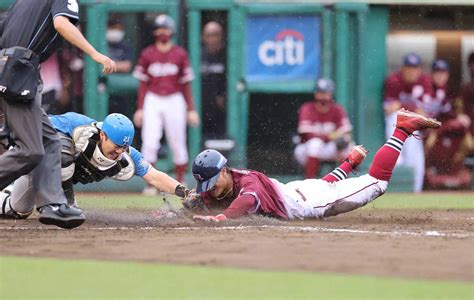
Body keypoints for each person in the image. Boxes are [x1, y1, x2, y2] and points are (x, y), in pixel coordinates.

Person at [183, 109, 441, 222]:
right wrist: (349, 165)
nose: (211, 189)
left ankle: (402, 129)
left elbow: (248, 201)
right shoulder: (223, 182)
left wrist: (222, 217)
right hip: (299, 189)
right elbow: (321, 185)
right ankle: (352, 162)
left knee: (378, 183)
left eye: (213, 182)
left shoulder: (249, 183)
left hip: (306, 203)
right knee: (324, 187)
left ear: (225, 170)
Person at [0, 0, 116, 229]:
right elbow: (62, 23)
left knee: (50, 140)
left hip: (13, 66)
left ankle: (52, 203)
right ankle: (53, 203)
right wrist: (95, 53)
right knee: (31, 150)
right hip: (18, 67)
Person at [0, 112, 191, 223]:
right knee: (60, 148)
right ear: (102, 136)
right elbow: (38, 126)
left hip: (49, 180)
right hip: (35, 166)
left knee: (19, 212)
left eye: (124, 148)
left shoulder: (126, 154)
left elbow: (154, 176)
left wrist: (184, 192)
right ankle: (66, 204)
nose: (119, 152)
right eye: (117, 146)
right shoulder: (76, 125)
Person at [133, 14, 200, 194]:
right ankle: (150, 184)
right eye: (159, 29)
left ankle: (179, 181)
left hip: (174, 99)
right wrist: (139, 109)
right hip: (153, 98)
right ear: (155, 32)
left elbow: (186, 84)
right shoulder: (147, 53)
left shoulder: (180, 54)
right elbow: (142, 84)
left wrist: (191, 109)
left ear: (171, 31)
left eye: (166, 29)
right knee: (150, 142)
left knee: (177, 141)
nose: (162, 32)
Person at [383, 53, 432, 192]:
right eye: (409, 67)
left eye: (415, 67)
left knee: (417, 161)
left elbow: (424, 112)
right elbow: (389, 109)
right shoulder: (394, 80)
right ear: (403, 68)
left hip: (417, 127)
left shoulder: (425, 81)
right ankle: (396, 190)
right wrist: (412, 107)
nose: (412, 71)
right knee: (396, 117)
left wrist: (402, 104)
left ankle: (414, 194)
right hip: (397, 125)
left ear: (420, 69)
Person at [424, 59, 471, 189]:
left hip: (430, 130)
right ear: (432, 74)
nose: (440, 75)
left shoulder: (442, 90)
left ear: (447, 75)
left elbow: (447, 111)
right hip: (417, 130)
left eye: (443, 72)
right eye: (437, 72)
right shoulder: (425, 87)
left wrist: (458, 117)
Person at [294, 78, 353, 179]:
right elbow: (307, 135)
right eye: (320, 92)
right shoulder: (307, 108)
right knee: (315, 143)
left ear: (331, 94)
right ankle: (310, 182)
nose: (323, 96)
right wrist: (331, 136)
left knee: (350, 147)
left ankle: (344, 182)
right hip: (305, 150)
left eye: (325, 93)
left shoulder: (337, 109)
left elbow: (346, 132)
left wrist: (338, 138)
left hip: (328, 148)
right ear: (315, 94)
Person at [201, 21, 227, 139]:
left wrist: (222, 94)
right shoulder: (198, 54)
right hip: (202, 105)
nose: (212, 39)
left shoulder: (227, 55)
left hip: (221, 107)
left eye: (215, 35)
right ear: (203, 37)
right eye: (209, 35)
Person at [106, 17, 134, 118]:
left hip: (120, 90)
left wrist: (108, 65)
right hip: (103, 88)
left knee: (121, 116)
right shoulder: (102, 43)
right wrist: (117, 65)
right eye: (113, 28)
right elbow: (97, 67)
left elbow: (127, 66)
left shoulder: (125, 46)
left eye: (119, 29)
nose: (116, 31)